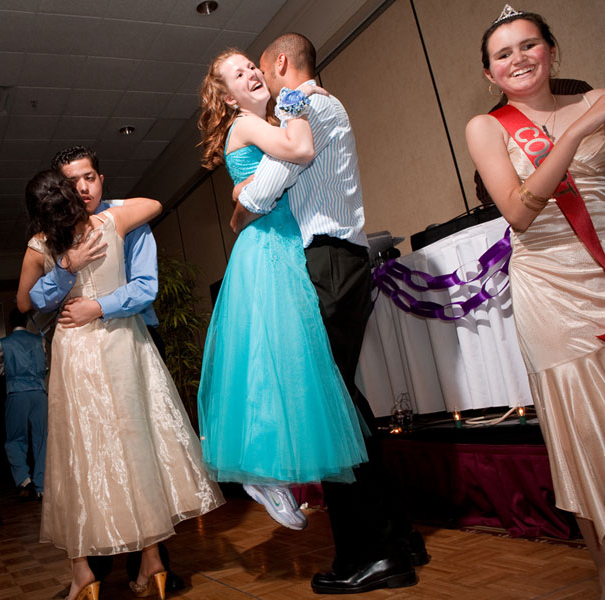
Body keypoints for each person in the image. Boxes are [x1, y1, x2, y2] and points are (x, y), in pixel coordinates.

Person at [230, 33, 427, 593]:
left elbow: (262, 192)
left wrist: (240, 199)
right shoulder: (319, 105)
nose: (260, 81)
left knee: (330, 411)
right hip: (339, 260)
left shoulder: (306, 109)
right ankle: (397, 539)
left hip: (329, 262)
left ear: (280, 64)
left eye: (260, 71)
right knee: (347, 406)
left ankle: (371, 554)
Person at [17, 170, 223, 600]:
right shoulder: (110, 223)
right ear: (71, 194)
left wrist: (64, 270)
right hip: (119, 344)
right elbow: (154, 203)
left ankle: (83, 572)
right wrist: (73, 259)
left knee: (79, 455)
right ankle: (152, 560)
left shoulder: (42, 243)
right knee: (135, 446)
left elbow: (25, 303)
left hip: (80, 349)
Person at [465, 7, 605, 597]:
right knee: (589, 430)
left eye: (529, 45)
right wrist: (571, 136)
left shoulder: (597, 99)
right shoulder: (487, 127)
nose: (518, 59)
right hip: (551, 287)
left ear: (551, 49)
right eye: (504, 54)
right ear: (490, 74)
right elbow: (519, 213)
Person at [196, 48, 368, 527]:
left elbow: (262, 186)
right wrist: (298, 104)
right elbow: (300, 150)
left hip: (285, 242)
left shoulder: (262, 124)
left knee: (293, 365)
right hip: (269, 248)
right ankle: (266, 473)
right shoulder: (248, 125)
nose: (252, 73)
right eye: (238, 74)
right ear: (228, 99)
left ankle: (274, 473)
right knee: (276, 363)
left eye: (251, 66)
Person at [30, 145, 180, 591]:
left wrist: (95, 307)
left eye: (90, 177)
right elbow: (35, 300)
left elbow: (146, 287)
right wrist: (65, 267)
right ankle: (95, 568)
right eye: (72, 182)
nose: (83, 188)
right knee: (87, 451)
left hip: (131, 341)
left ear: (101, 178)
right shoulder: (53, 235)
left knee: (142, 446)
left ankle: (151, 563)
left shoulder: (125, 219)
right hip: (80, 355)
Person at [0, 308, 48, 500]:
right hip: (39, 393)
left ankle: (24, 478)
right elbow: (45, 366)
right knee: (42, 439)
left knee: (15, 438)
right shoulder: (40, 340)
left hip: (17, 393)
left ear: (10, 323)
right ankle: (41, 486)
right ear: (26, 322)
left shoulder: (2, 343)